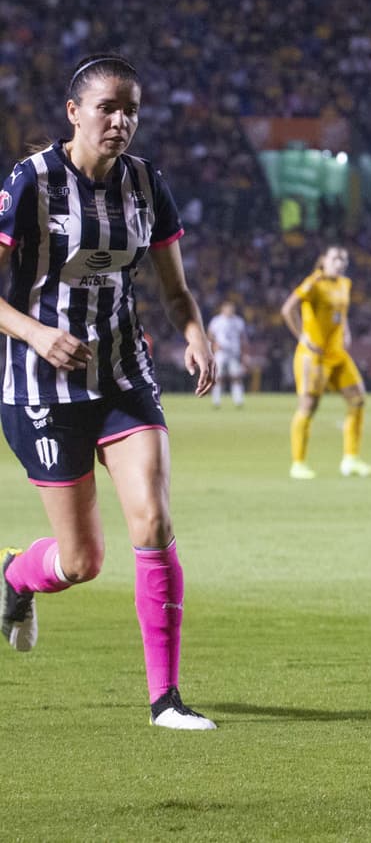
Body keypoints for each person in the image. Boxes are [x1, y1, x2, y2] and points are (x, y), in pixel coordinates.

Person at [0, 53, 221, 729]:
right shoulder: (30, 182)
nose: (121, 121)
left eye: (131, 109)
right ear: (74, 113)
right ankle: (13, 576)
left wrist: (196, 332)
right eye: (108, 108)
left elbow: (175, 289)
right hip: (43, 382)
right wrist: (37, 335)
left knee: (153, 520)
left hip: (124, 374)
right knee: (83, 560)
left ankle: (166, 699)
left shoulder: (147, 184)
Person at [281, 244, 371, 479]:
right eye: (336, 258)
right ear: (323, 260)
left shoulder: (345, 283)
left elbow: (340, 314)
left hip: (338, 354)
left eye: (344, 260)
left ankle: (350, 459)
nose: (340, 263)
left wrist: (346, 331)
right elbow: (287, 309)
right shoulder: (314, 283)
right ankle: (298, 463)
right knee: (308, 406)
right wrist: (301, 335)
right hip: (313, 356)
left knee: (357, 399)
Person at [207, 300, 248, 408]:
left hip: (234, 352)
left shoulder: (239, 321)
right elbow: (210, 336)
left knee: (236, 377)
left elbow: (243, 339)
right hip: (221, 353)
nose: (230, 310)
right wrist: (214, 346)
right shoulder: (216, 321)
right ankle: (216, 401)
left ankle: (238, 400)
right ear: (222, 309)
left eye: (231, 308)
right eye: (228, 308)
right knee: (218, 377)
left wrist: (244, 355)